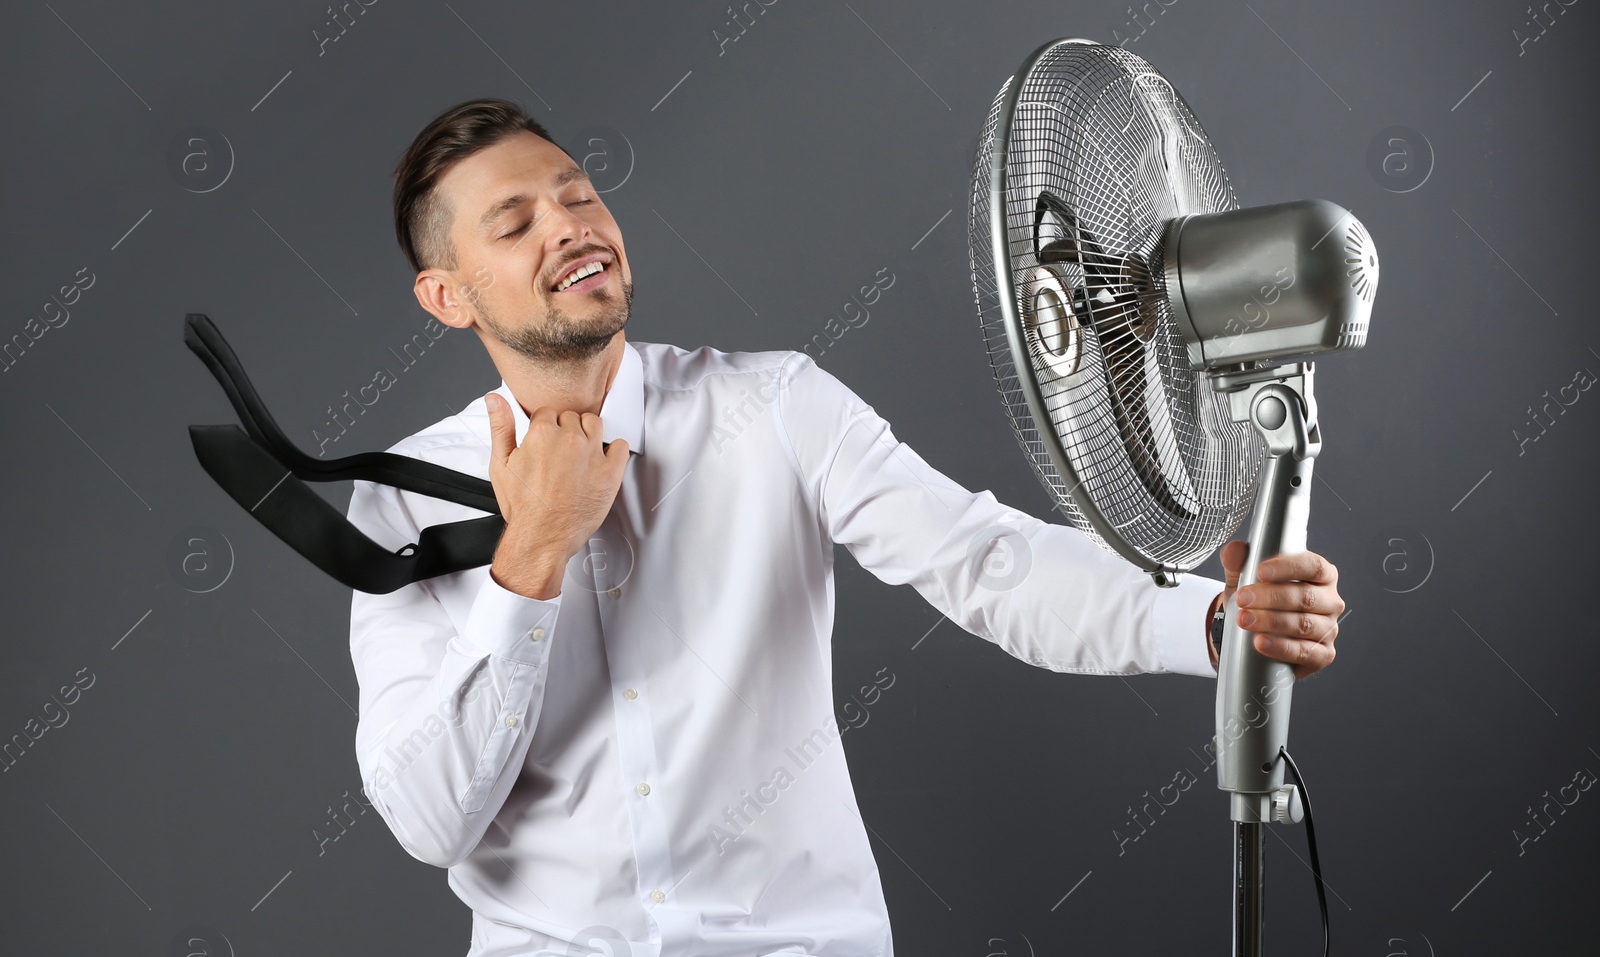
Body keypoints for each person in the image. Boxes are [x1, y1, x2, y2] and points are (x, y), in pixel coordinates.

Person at [346, 98, 1344, 957]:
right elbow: (431, 815)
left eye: (575, 194)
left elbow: (986, 562)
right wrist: (533, 553)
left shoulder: (773, 404)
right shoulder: (401, 500)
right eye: (514, 223)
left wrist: (1214, 620)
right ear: (447, 295)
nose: (568, 227)